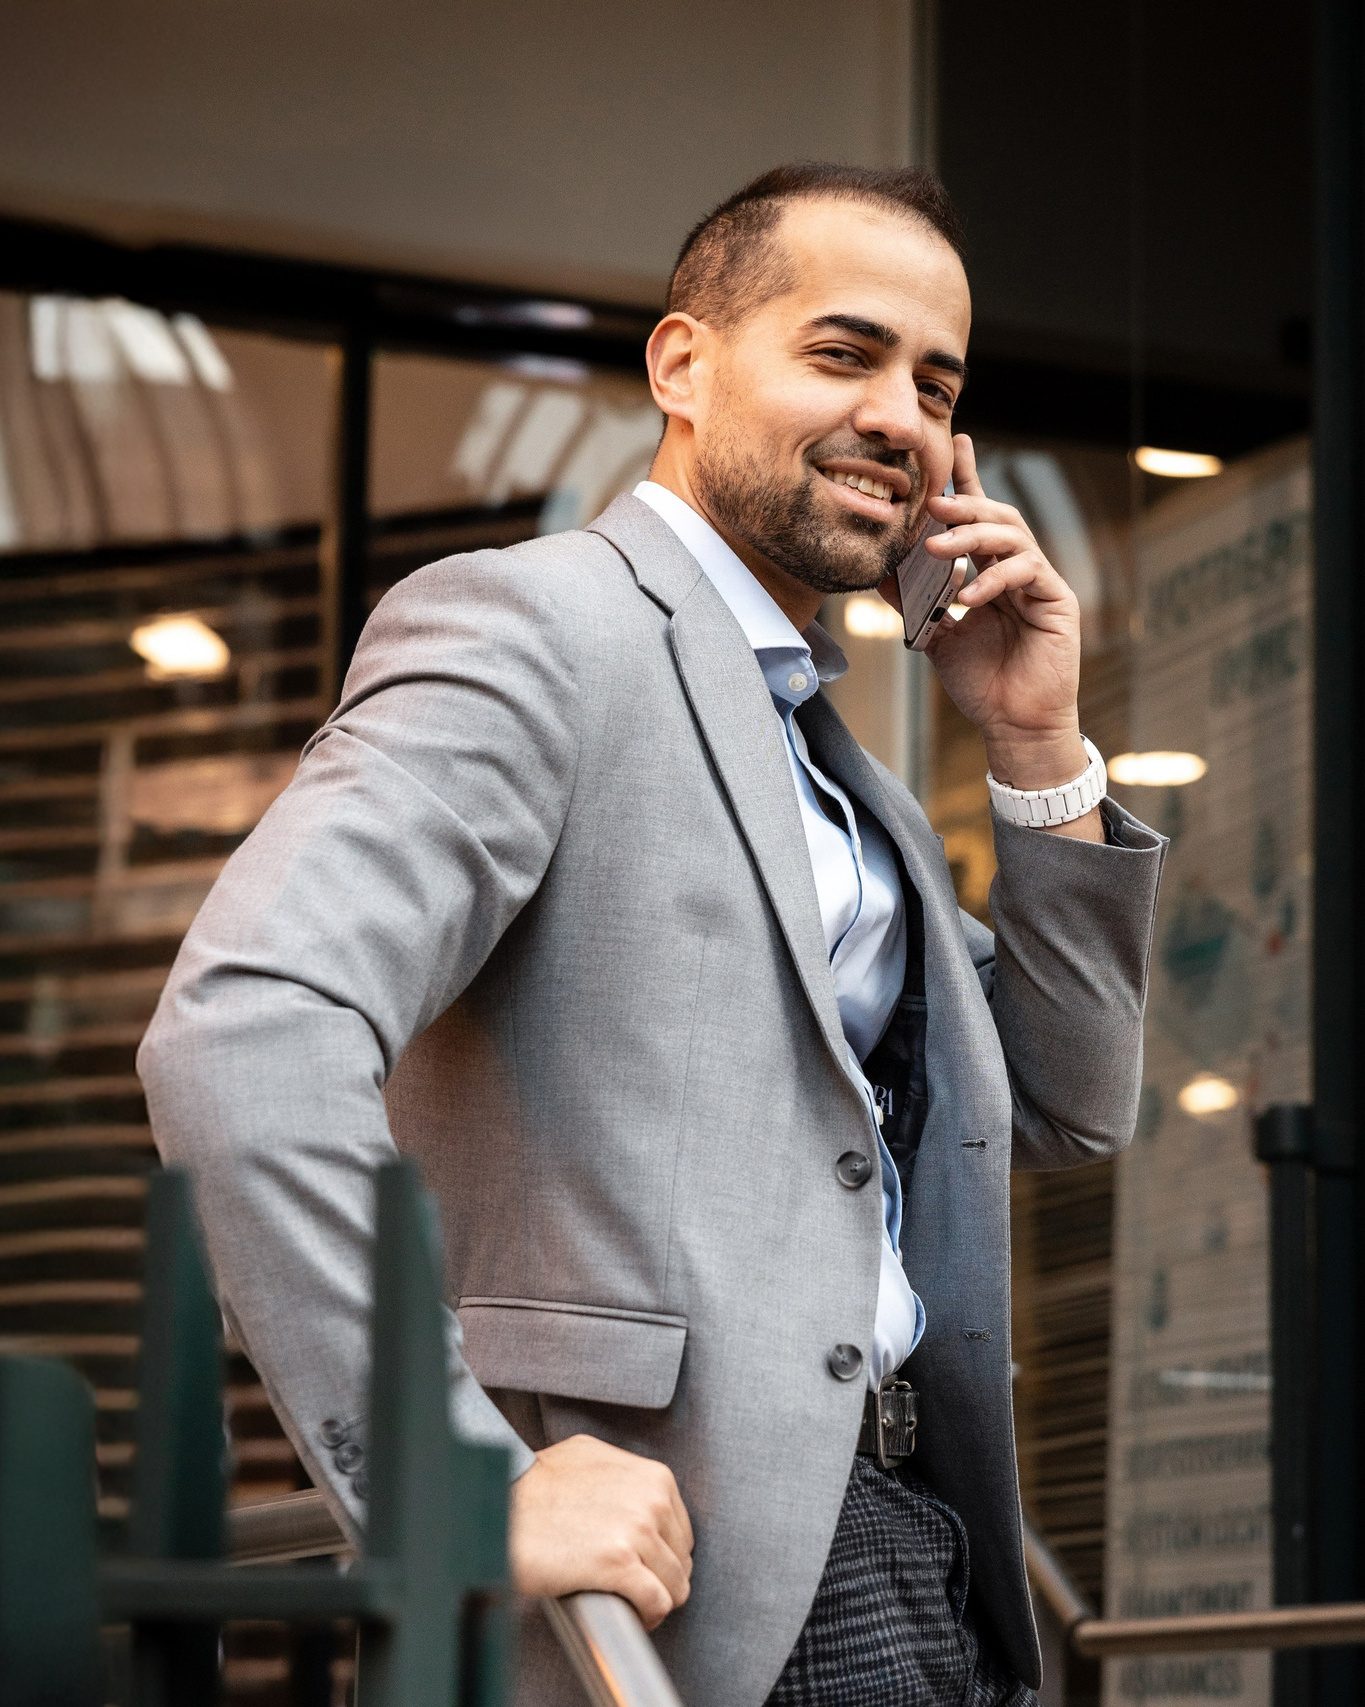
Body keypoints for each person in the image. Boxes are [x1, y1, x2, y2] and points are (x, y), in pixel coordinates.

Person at [139, 162, 1165, 1707]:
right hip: (682, 1566)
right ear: (681, 365)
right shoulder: (532, 626)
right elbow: (246, 1031)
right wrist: (452, 1482)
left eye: (935, 381)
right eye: (843, 353)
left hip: (912, 1537)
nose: (901, 412)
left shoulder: (843, 768)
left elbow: (1067, 1106)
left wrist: (1035, 748)